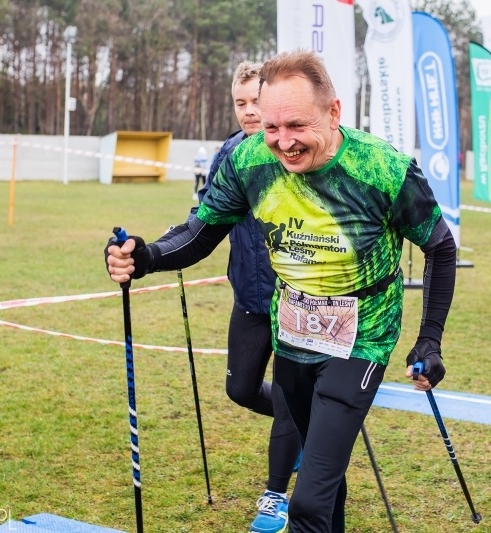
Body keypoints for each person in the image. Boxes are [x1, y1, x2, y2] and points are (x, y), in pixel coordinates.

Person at [106, 50, 457, 532]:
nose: (284, 144)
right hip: (292, 330)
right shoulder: (249, 160)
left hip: (364, 334)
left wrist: (430, 338)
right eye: (272, 128)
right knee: (322, 475)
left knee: (307, 504)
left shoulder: (382, 169)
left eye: (296, 126)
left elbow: (440, 246)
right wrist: (147, 257)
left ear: (333, 112)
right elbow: (201, 231)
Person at [193, 60, 302, 533]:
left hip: (298, 300)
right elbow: (205, 215)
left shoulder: (292, 151)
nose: (250, 112)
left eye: (257, 101)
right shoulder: (230, 153)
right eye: (241, 103)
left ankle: (276, 494)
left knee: (292, 393)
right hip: (251, 297)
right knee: (240, 389)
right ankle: (308, 427)